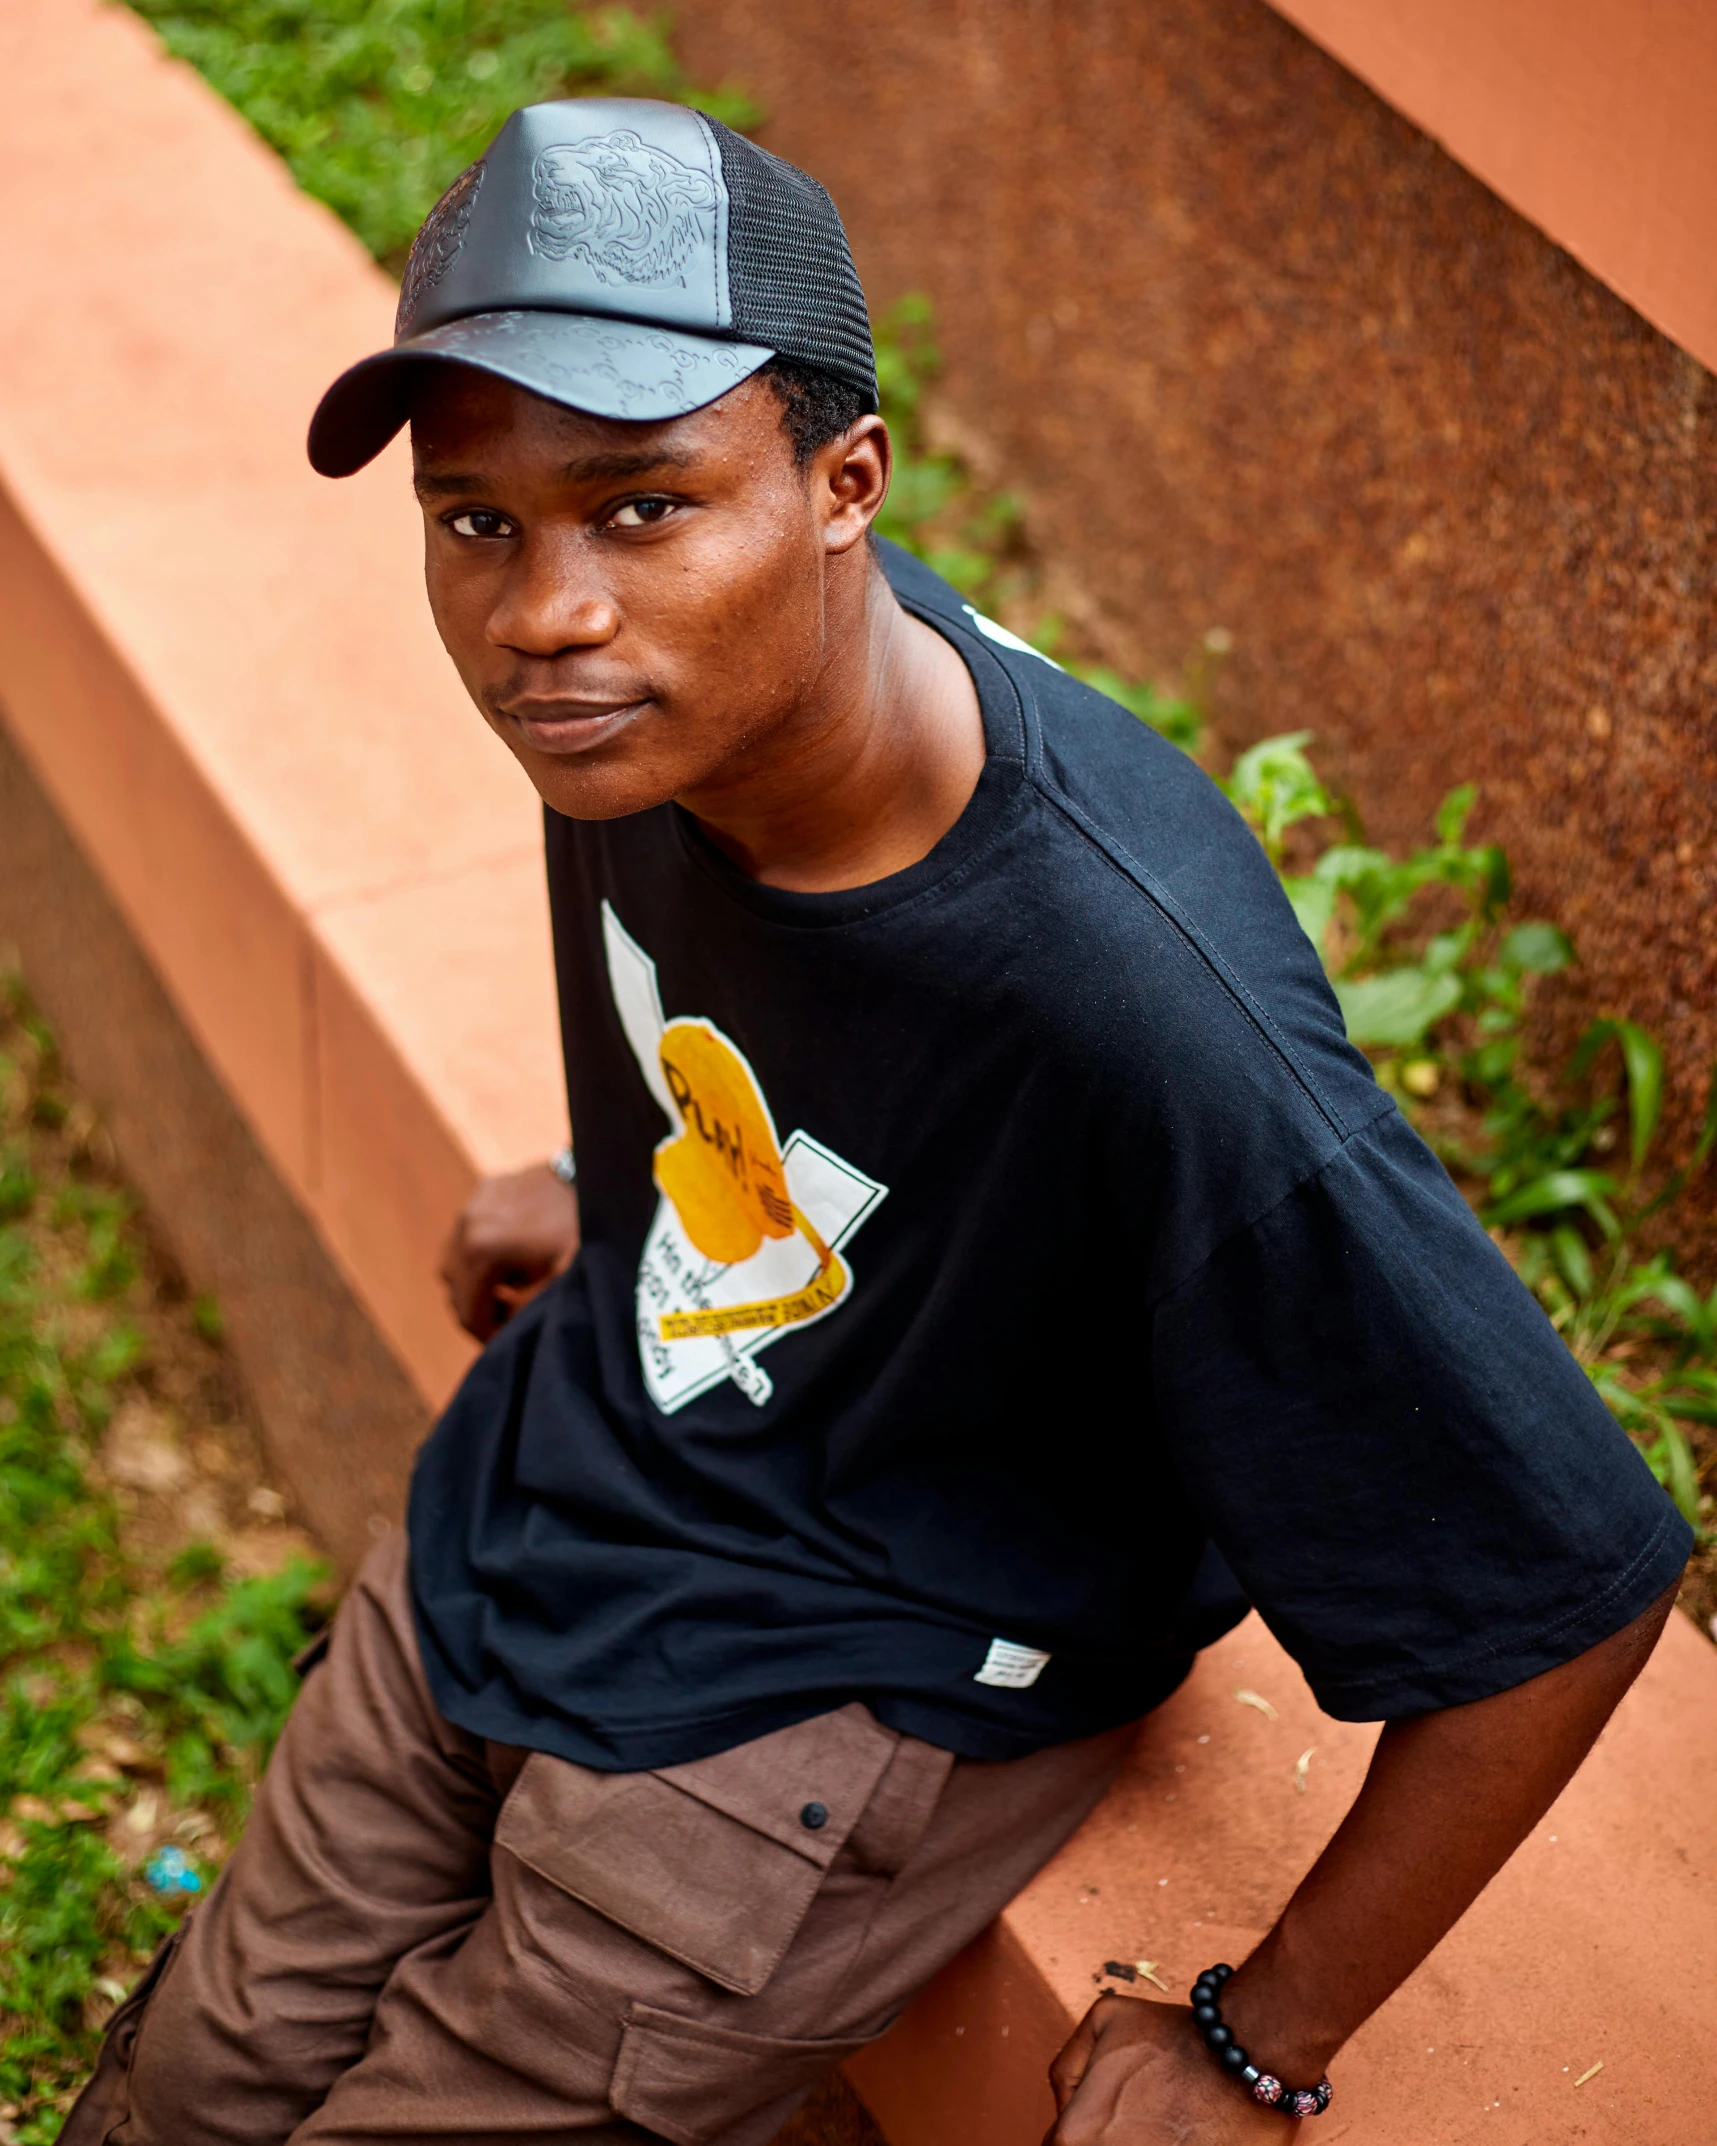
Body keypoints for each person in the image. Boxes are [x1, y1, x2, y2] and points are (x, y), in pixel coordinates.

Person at [68, 97, 1689, 2146]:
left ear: (846, 487)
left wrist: (1259, 2032)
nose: (542, 612)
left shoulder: (1150, 1004)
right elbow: (817, 1034)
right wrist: (623, 1178)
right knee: (183, 2086)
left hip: (835, 1683)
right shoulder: (670, 700)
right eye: (475, 519)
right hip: (546, 1497)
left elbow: (1570, 1586)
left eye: (642, 503)